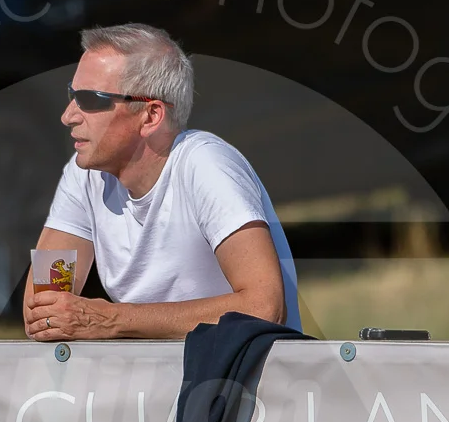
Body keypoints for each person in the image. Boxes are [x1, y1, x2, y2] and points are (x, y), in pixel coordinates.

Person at [24, 23, 301, 340]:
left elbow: (265, 307)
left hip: (245, 383)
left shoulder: (207, 166)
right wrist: (64, 317)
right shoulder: (83, 175)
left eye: (89, 99)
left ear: (151, 115)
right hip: (158, 385)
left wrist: (114, 320)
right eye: (72, 95)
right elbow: (42, 310)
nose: (68, 115)